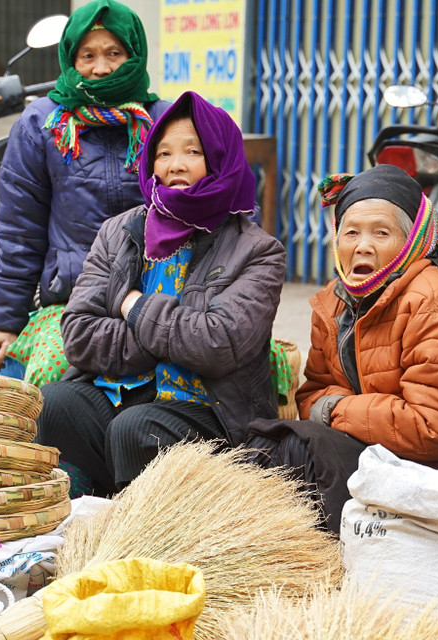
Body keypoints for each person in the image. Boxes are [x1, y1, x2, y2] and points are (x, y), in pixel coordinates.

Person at [246, 164, 438, 534]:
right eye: (351, 233)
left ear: (410, 242)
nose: (363, 246)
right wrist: (334, 409)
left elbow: (433, 429)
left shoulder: (433, 305)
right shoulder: (333, 303)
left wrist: (338, 408)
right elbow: (312, 394)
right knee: (264, 443)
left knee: (303, 450)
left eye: (381, 232)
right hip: (387, 448)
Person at [35, 91, 286, 497]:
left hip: (208, 410)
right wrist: (171, 336)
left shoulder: (256, 251)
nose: (176, 165)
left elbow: (217, 343)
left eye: (193, 151)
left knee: (135, 430)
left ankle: (143, 530)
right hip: (119, 392)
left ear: (220, 159)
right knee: (55, 404)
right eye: (164, 153)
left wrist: (132, 305)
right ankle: (96, 508)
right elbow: (79, 334)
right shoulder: (119, 231)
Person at [0, 0, 170, 385]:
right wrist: (3, 322)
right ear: (71, 58)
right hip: (72, 303)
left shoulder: (165, 120)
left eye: (114, 53)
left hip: (157, 299)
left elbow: (212, 209)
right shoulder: (41, 124)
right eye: (88, 55)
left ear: (135, 55)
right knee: (50, 388)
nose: (101, 67)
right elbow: (19, 233)